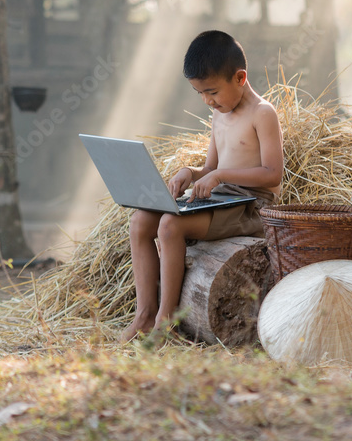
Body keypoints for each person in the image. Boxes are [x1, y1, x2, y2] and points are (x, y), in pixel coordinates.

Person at [120, 30, 284, 342]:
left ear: (239, 77)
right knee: (141, 220)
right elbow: (210, 168)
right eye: (201, 95)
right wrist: (191, 173)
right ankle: (143, 314)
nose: (208, 101)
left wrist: (221, 176)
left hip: (251, 206)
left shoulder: (262, 113)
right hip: (221, 200)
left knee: (169, 226)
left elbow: (272, 174)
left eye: (212, 92)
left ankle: (165, 323)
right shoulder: (219, 114)